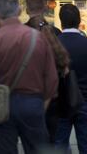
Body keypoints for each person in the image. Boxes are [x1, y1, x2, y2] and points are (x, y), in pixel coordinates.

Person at [0, 0, 58, 154]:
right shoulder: (38, 38)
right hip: (32, 104)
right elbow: (51, 80)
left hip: (1, 105)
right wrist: (40, 107)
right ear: (18, 11)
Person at [55, 4, 87, 154]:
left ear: (61, 21)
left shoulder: (54, 44)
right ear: (79, 20)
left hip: (60, 102)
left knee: (59, 145)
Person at [27, 15, 70, 144]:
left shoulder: (34, 49)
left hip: (37, 101)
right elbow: (66, 72)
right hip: (56, 105)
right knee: (52, 141)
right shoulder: (58, 50)